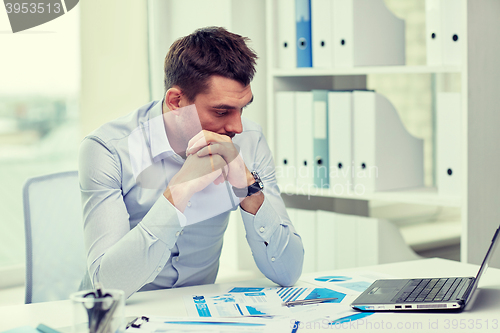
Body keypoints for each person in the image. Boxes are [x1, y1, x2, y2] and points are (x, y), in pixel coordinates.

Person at [78, 26, 304, 299]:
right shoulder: (108, 150)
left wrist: (248, 188)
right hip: (118, 316)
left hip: (199, 313)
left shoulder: (250, 141)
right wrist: (180, 190)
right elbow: (107, 287)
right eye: (221, 111)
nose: (237, 126)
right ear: (176, 101)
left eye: (242, 108)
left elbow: (289, 271)